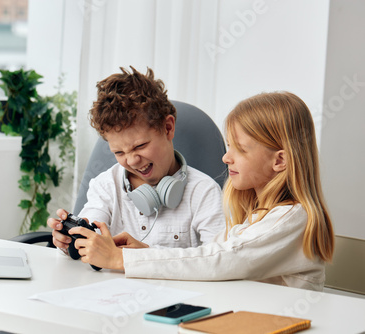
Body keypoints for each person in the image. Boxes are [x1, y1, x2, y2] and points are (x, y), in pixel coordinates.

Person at [68, 91, 335, 291]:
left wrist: (124, 259)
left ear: (279, 161)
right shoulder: (258, 215)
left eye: (239, 149)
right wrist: (142, 252)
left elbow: (218, 260)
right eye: (228, 146)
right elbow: (215, 255)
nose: (226, 158)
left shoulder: (291, 219)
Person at [47, 66, 224, 252]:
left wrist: (144, 254)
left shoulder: (204, 193)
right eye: (119, 153)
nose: (131, 161)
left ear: (168, 128)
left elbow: (218, 259)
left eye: (139, 146)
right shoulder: (105, 186)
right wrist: (70, 241)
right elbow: (90, 228)